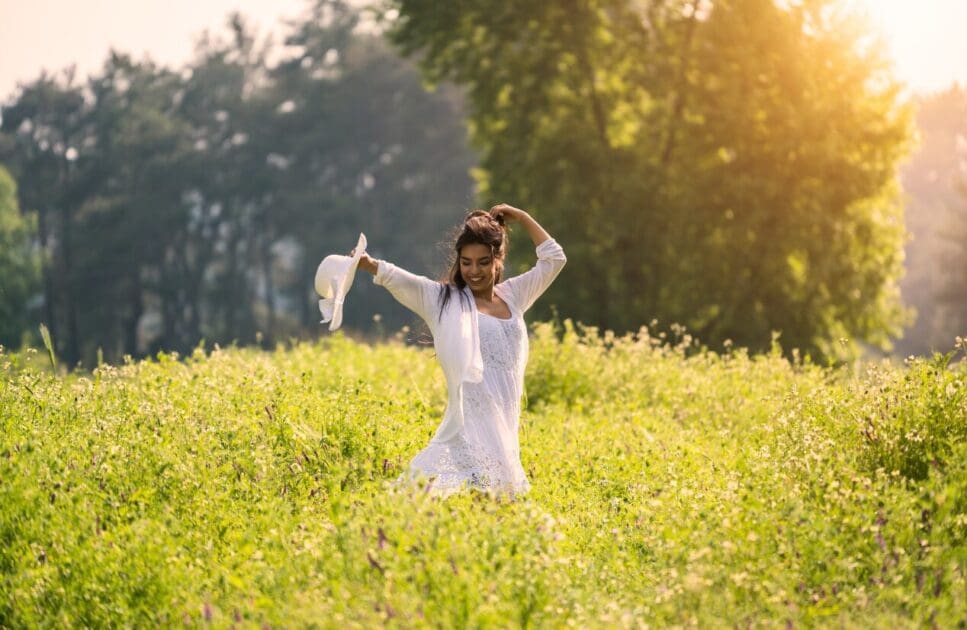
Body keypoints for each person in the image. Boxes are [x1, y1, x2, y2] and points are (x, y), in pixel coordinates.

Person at [353, 204, 566, 498]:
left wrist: (522, 217)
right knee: (481, 498)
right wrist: (366, 263)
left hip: (504, 423)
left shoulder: (514, 296)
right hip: (469, 426)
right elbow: (401, 279)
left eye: (482, 262)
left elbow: (554, 259)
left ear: (497, 260)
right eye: (466, 262)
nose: (473, 271)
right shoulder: (443, 300)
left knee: (497, 503)